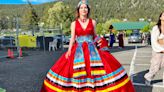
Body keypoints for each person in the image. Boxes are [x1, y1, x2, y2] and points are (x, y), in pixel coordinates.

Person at [40, 0, 135, 91]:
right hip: (78, 51)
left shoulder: (93, 22)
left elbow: (95, 36)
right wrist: (68, 51)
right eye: (81, 7)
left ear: (88, 10)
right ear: (78, 10)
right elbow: (72, 38)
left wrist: (102, 43)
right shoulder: (74, 23)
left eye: (85, 7)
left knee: (95, 71)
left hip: (92, 51)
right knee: (74, 71)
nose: (83, 9)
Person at [144, 12, 164, 85]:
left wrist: (161, 40)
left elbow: (160, 40)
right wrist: (160, 47)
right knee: (155, 68)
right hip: (157, 51)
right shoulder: (156, 28)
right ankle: (148, 77)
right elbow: (154, 41)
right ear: (160, 17)